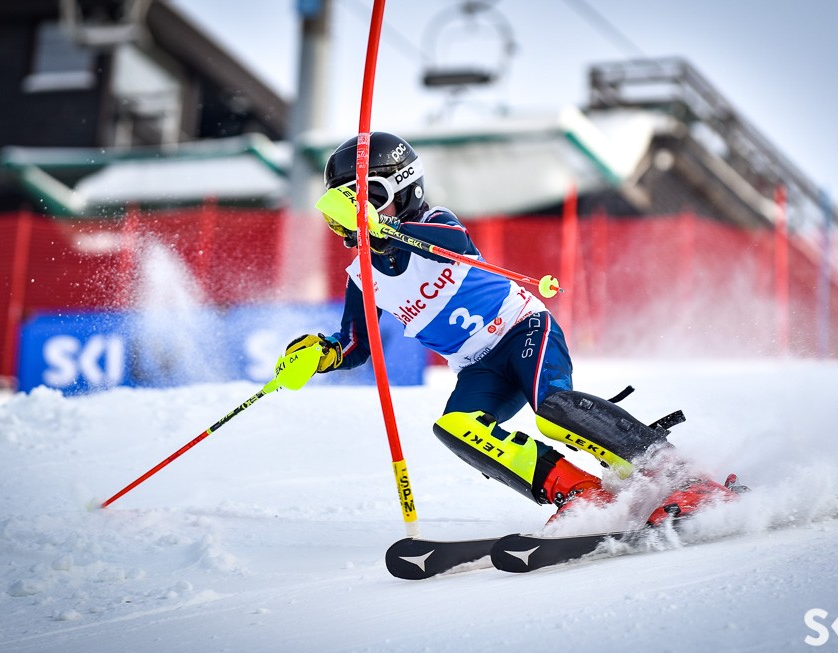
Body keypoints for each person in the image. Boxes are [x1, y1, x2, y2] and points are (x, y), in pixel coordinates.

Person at [285, 131, 744, 526]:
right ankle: (581, 493)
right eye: (341, 207)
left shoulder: (435, 222)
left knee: (551, 410)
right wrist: (322, 354)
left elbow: (451, 244)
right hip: (478, 368)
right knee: (456, 426)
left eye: (368, 198)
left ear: (403, 191)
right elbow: (356, 344)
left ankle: (682, 475)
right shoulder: (362, 276)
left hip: (523, 330)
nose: (355, 214)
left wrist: (385, 230)